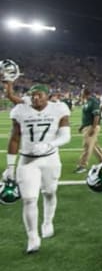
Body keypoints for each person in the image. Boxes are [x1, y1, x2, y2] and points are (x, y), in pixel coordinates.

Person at [3, 84, 71, 253]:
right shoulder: (21, 110)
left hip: (50, 158)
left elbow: (66, 136)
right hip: (27, 160)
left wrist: (49, 144)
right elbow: (14, 138)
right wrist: (10, 165)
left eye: (39, 95)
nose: (35, 98)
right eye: (32, 95)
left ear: (48, 96)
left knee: (49, 192)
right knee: (29, 199)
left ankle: (47, 221)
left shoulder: (59, 109)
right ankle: (32, 237)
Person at [74, 88, 102, 173]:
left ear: (85, 93)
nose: (80, 95)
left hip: (91, 126)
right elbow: (86, 116)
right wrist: (82, 126)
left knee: (87, 146)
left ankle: (82, 165)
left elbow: (96, 116)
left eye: (81, 93)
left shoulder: (93, 101)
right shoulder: (87, 102)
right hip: (87, 126)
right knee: (94, 146)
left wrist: (93, 128)